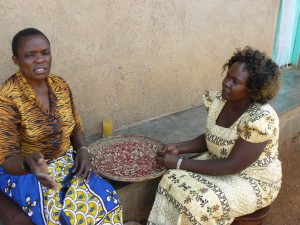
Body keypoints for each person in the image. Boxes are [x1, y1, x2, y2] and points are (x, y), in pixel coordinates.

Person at [0, 28, 123, 225]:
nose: (40, 60)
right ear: (16, 60)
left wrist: (82, 150)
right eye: (30, 55)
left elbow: (75, 126)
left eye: (44, 53)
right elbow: (7, 159)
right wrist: (29, 164)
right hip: (27, 173)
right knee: (65, 215)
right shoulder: (8, 97)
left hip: (66, 162)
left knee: (107, 200)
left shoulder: (59, 85)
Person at [148, 46, 282, 225]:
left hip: (252, 179)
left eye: (235, 81)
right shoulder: (220, 100)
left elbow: (233, 165)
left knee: (198, 203)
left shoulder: (261, 119)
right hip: (220, 161)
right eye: (227, 76)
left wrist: (180, 162)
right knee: (171, 178)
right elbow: (214, 137)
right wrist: (179, 147)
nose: (226, 83)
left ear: (252, 89)